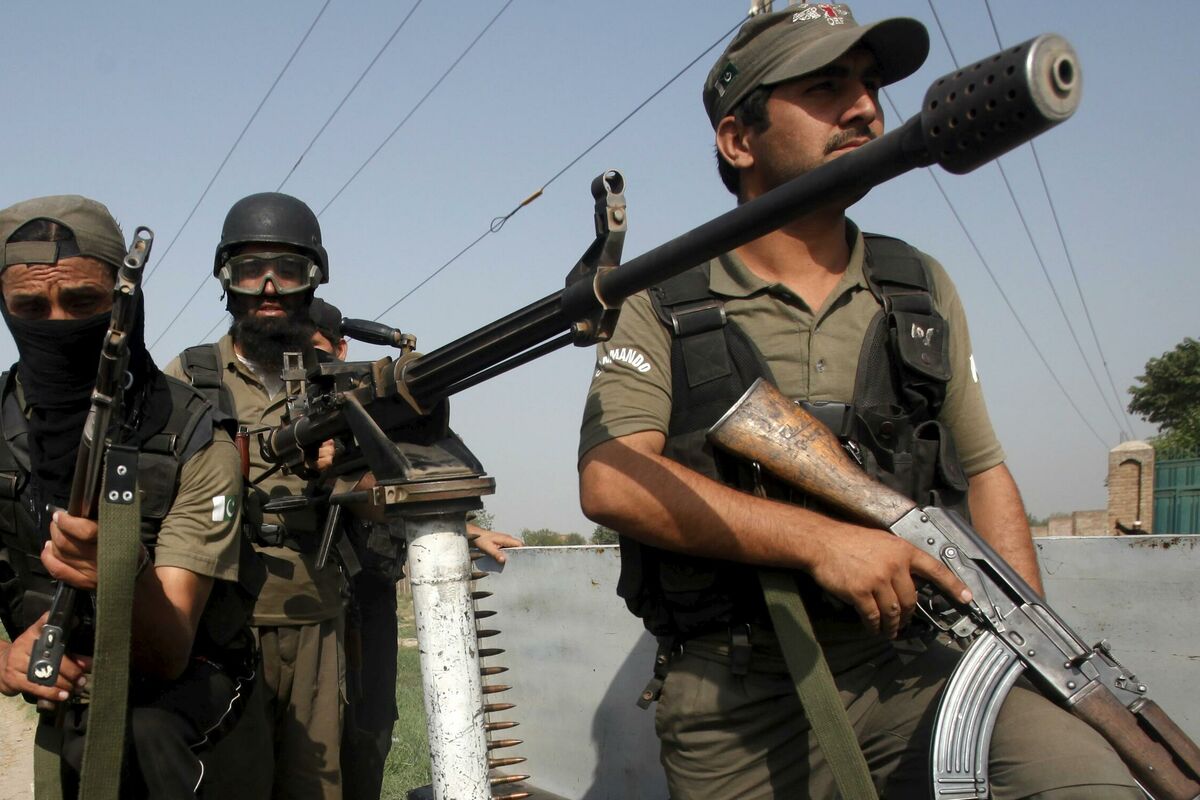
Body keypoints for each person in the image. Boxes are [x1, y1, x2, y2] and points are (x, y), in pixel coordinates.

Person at [577, 7, 1140, 799]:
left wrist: (1030, 645)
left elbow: (985, 474)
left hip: (915, 670)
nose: (865, 108)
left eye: (871, 85)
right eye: (826, 87)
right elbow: (612, 478)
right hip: (739, 699)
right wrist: (820, 542)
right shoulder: (662, 297)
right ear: (738, 140)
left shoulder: (917, 287)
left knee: (1089, 782)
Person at [0, 195, 260, 798]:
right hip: (69, 692)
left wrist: (118, 568)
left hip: (184, 697)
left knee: (141, 737)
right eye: (31, 308)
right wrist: (6, 661)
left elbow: (168, 652)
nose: (58, 324)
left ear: (125, 300)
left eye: (83, 302)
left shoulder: (195, 436)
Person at [165, 193, 348, 799]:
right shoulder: (187, 379)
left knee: (315, 787)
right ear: (227, 281)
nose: (269, 289)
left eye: (287, 271)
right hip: (217, 627)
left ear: (312, 281)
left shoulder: (339, 382)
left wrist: (348, 470)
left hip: (316, 618)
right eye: (251, 272)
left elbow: (391, 485)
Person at [307, 298, 521, 800]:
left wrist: (469, 531)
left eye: (319, 352)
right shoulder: (279, 411)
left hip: (369, 595)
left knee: (371, 730)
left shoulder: (377, 406)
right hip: (306, 598)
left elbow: (423, 475)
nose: (313, 366)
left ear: (342, 349)